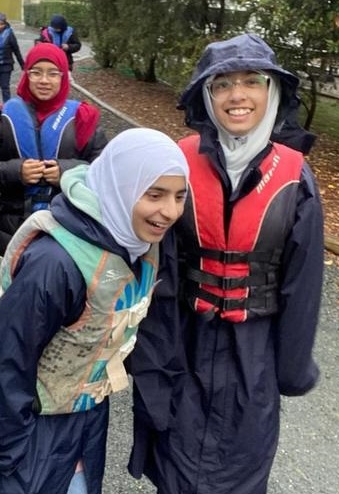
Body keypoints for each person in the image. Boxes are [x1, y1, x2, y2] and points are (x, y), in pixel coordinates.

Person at [128, 33, 325, 494]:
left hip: (252, 356)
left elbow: (303, 285)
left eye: (251, 82)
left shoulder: (297, 180)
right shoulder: (176, 162)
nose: (237, 95)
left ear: (271, 91)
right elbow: (150, 256)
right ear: (206, 94)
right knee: (175, 468)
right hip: (183, 343)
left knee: (239, 471)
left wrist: (292, 371)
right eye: (222, 84)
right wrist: (150, 355)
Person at [0, 128, 190, 494]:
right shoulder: (54, 263)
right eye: (154, 194)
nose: (169, 211)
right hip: (30, 428)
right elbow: (7, 361)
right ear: (120, 188)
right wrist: (11, 455)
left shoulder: (136, 242)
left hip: (85, 418)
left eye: (180, 196)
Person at [0, 42, 107, 256]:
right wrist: (17, 172)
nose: (44, 80)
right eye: (36, 73)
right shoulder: (5, 117)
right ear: (27, 75)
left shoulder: (83, 118)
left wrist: (65, 172)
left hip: (69, 230)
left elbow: (105, 171)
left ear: (63, 77)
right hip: (14, 228)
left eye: (53, 73)